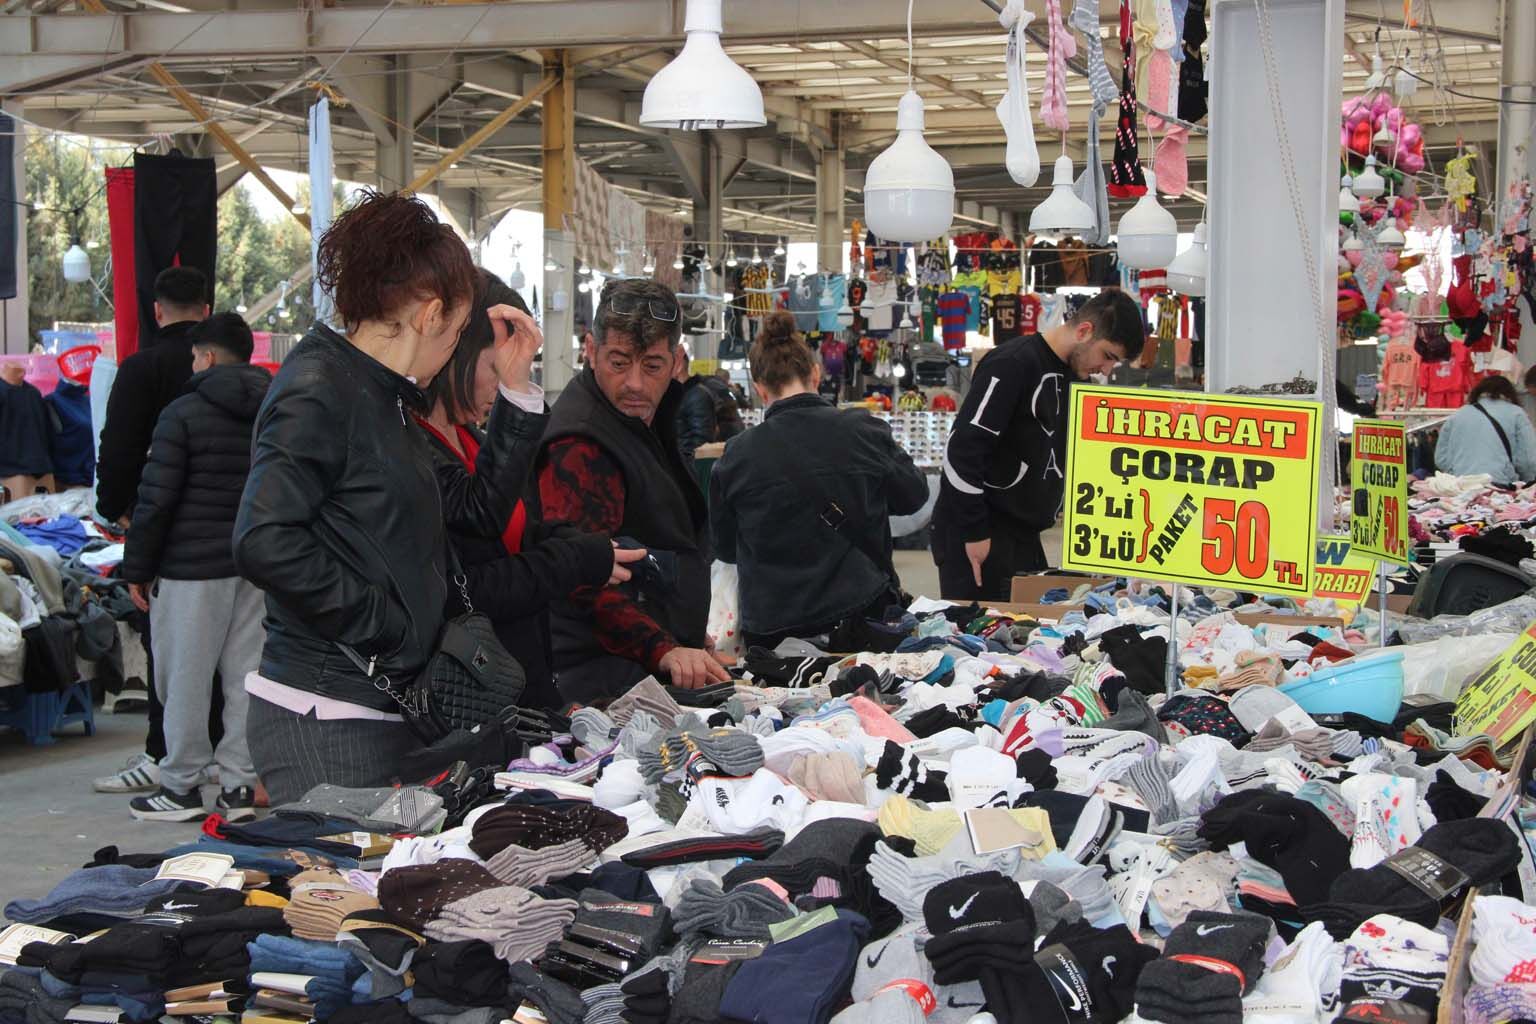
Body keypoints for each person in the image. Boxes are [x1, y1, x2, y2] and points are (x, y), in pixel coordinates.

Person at [232, 190, 540, 805]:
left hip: (373, 707)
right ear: (430, 315)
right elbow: (264, 540)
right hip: (327, 713)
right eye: (456, 331)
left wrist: (516, 393)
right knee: (350, 897)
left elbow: (473, 513)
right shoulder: (322, 390)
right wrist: (388, 628)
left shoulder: (382, 394)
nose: (453, 347)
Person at [417, 269, 645, 710]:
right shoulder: (419, 450)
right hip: (471, 698)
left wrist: (578, 546)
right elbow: (473, 580)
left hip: (518, 688)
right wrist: (573, 558)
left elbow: (511, 534)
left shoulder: (467, 439)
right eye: (495, 368)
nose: (500, 385)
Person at [537, 278, 729, 702]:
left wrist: (677, 637)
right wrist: (663, 648)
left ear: (677, 361)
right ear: (591, 351)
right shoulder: (580, 444)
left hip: (631, 671)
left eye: (653, 366)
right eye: (619, 363)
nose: (636, 384)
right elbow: (581, 580)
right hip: (598, 681)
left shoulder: (641, 421)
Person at [118, 313, 269, 822]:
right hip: (253, 567)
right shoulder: (273, 410)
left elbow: (155, 501)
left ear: (204, 357)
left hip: (189, 570)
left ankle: (180, 786)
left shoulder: (181, 414)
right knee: (245, 677)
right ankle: (239, 789)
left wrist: (136, 566)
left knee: (184, 676)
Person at [710, 311, 928, 647]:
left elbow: (725, 548)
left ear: (759, 389)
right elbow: (913, 496)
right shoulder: (863, 431)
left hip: (772, 631)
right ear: (816, 372)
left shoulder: (735, 455)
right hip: (861, 618)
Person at [930, 289, 1146, 601]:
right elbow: (963, 451)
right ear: (1084, 331)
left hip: (1024, 534)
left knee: (1028, 633)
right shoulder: (1012, 364)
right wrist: (974, 531)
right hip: (978, 528)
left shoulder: (1075, 380)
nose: (1107, 369)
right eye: (1108, 356)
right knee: (981, 639)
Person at [91, 264, 210, 795]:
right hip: (230, 532)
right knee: (229, 653)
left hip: (163, 527)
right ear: (206, 311)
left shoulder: (141, 369)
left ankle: (164, 755)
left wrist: (118, 510)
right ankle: (217, 757)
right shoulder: (234, 373)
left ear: (157, 311)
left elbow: (116, 451)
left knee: (169, 646)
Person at [1434, 375, 1536, 485]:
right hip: (1500, 482)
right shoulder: (1517, 413)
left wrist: (1458, 473)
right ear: (1509, 393)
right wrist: (1527, 481)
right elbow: (1528, 458)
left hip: (1462, 485)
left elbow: (1441, 458)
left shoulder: (1458, 415)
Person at [675, 366, 744, 461]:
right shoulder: (717, 388)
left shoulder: (699, 393)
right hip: (730, 442)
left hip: (719, 448)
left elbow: (701, 439)